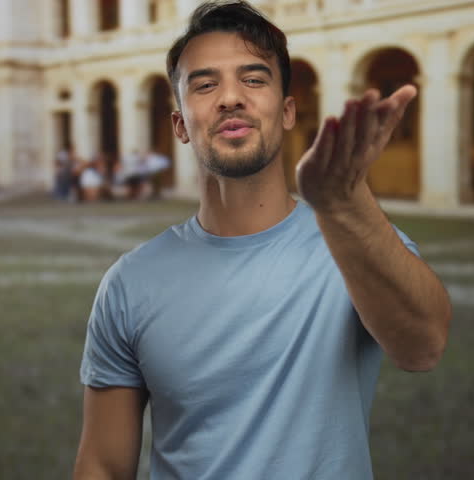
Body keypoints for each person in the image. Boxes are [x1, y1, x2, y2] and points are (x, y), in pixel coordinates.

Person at [73, 2, 452, 479]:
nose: (231, 97)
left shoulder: (357, 243)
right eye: (205, 84)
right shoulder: (129, 283)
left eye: (254, 79)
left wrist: (345, 202)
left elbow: (424, 347)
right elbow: (103, 465)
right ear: (179, 126)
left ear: (288, 110)